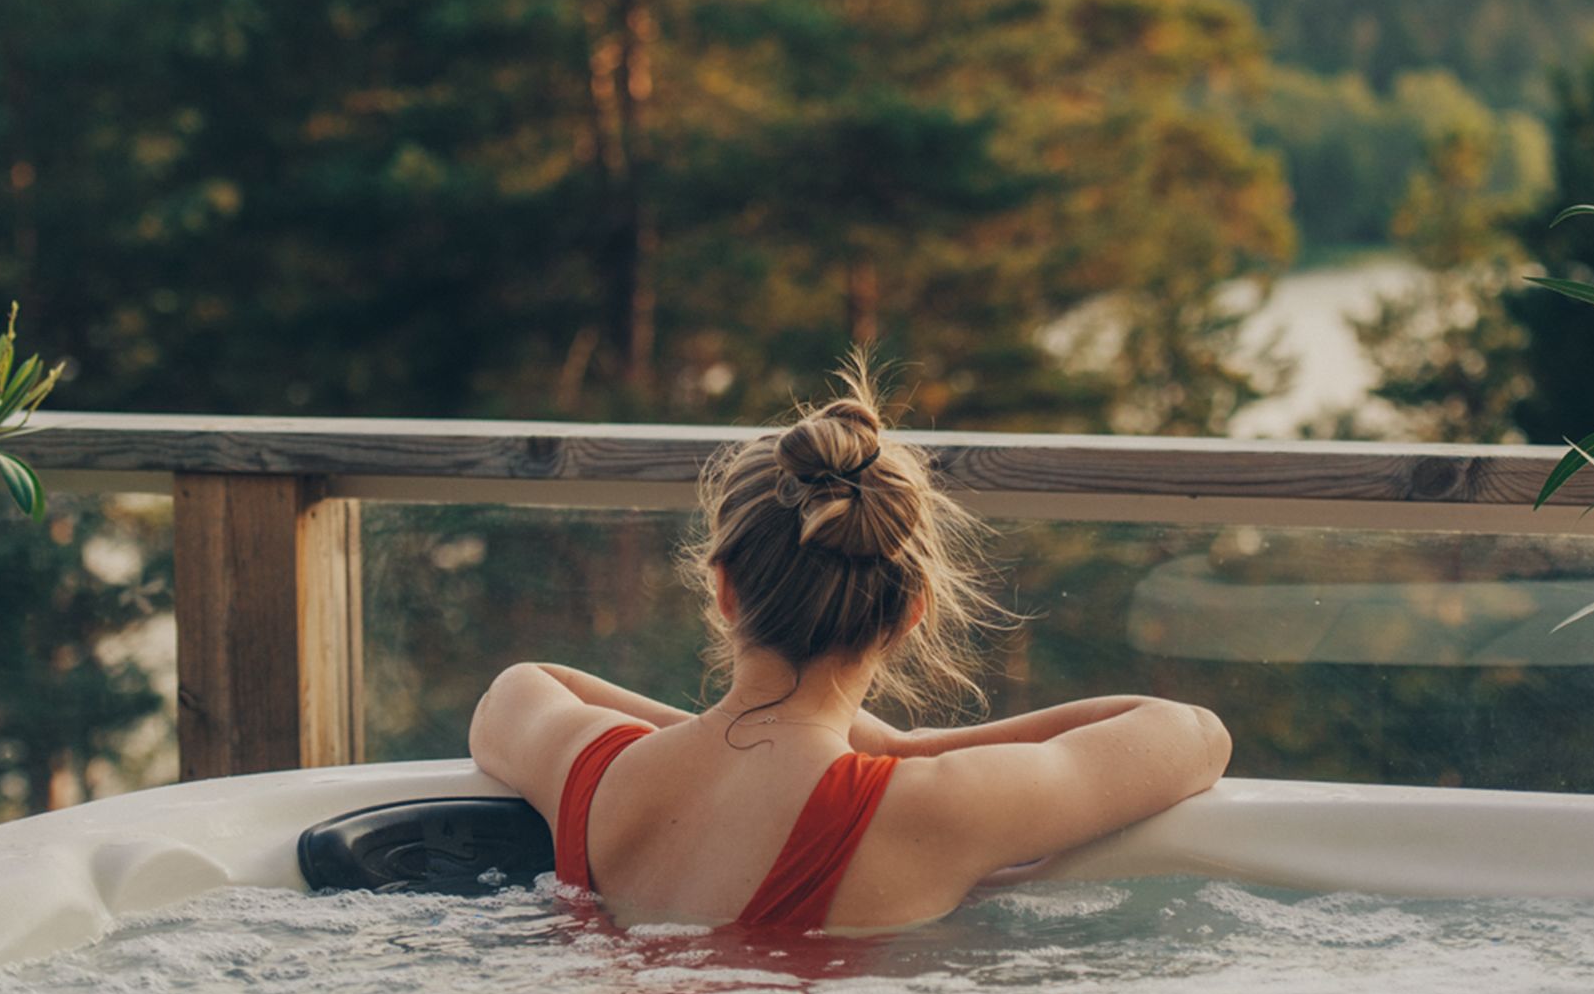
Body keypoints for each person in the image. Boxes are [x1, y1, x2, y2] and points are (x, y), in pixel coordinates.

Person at [468, 373, 1231, 934]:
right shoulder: (930, 804)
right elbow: (1192, 734)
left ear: (725, 588)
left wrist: (715, 737)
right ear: (913, 614)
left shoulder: (590, 769)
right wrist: (907, 749)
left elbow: (521, 687)